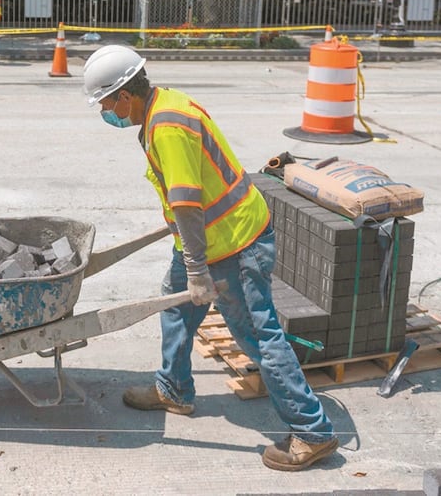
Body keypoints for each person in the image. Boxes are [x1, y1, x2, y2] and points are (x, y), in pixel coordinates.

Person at [82, 45, 339, 472]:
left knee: (259, 335)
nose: (106, 111)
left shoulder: (166, 127)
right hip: (204, 239)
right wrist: (189, 255)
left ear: (125, 94)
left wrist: (198, 268)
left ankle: (313, 432)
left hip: (233, 244)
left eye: (106, 103)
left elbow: (187, 202)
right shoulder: (162, 104)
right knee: (177, 305)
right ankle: (175, 389)